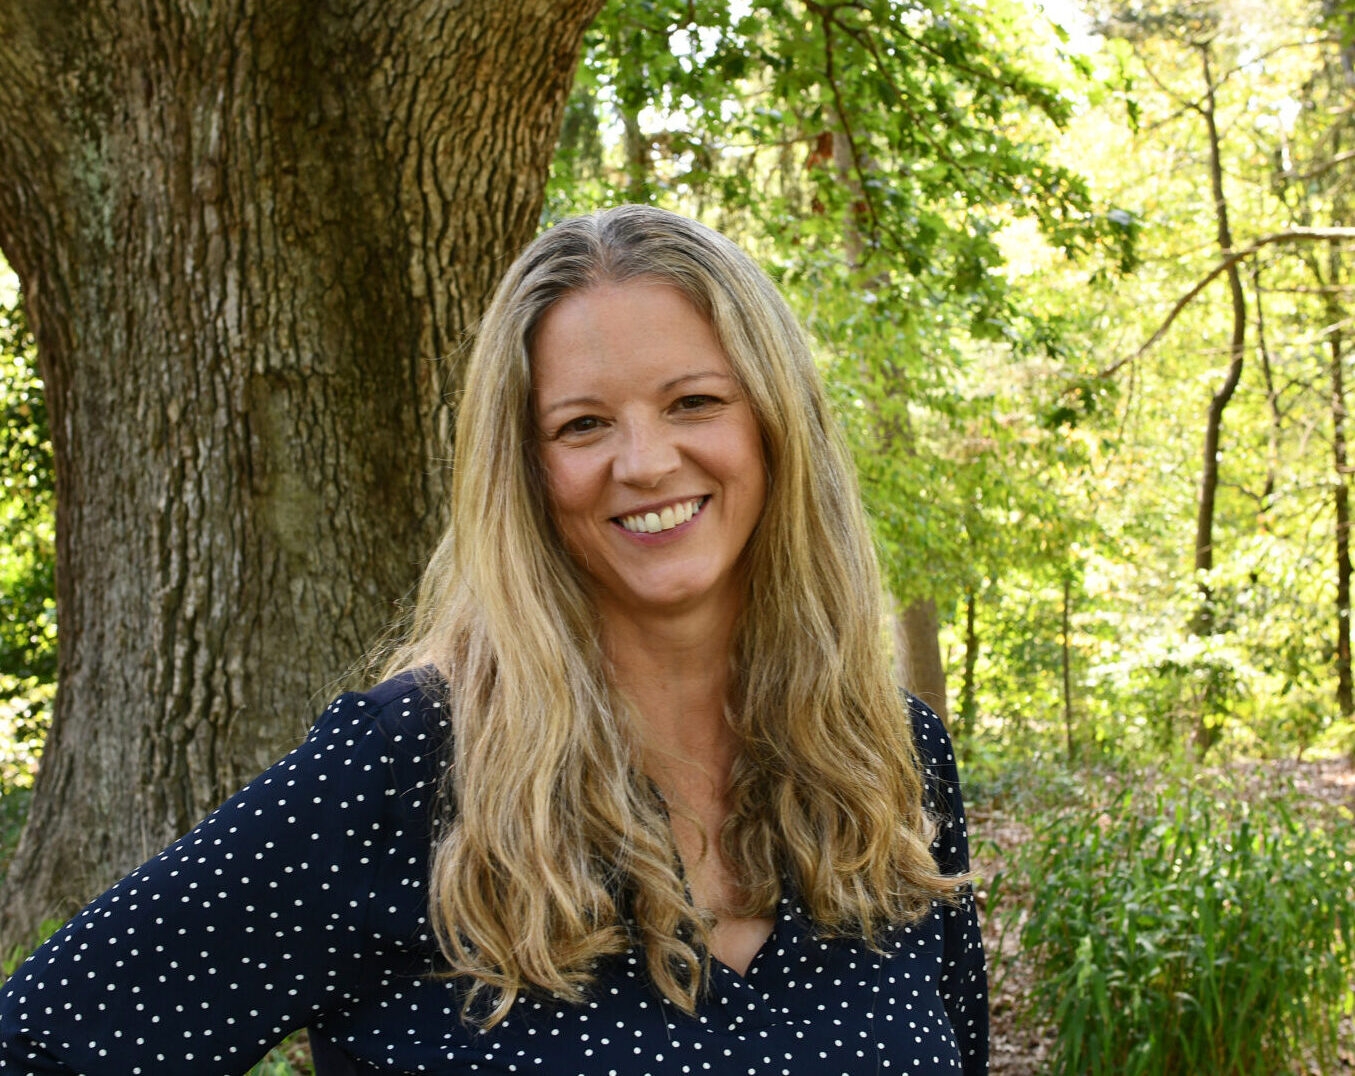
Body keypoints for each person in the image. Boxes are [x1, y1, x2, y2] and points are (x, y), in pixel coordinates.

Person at [0, 205, 988, 1075]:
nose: (644, 461)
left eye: (693, 401)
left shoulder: (887, 758)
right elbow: (39, 1044)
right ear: (524, 472)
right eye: (581, 424)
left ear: (778, 427)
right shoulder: (401, 770)